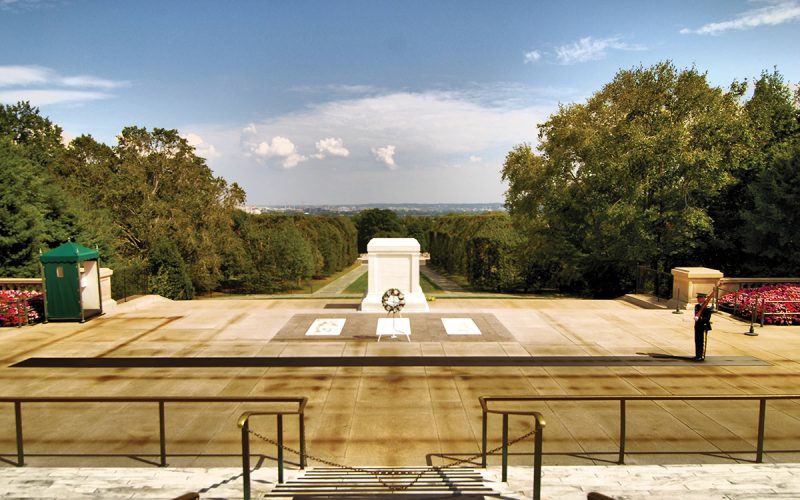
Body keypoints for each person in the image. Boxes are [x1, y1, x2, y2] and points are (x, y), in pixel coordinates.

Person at [693, 292, 713, 361]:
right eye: (698, 298)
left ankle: (702, 356)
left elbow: (707, 318)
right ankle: (697, 355)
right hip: (697, 326)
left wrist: (700, 318)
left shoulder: (708, 308)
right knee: (697, 340)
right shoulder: (697, 306)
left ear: (704, 299)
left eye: (700, 298)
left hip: (703, 326)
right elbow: (696, 314)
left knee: (702, 341)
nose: (698, 299)